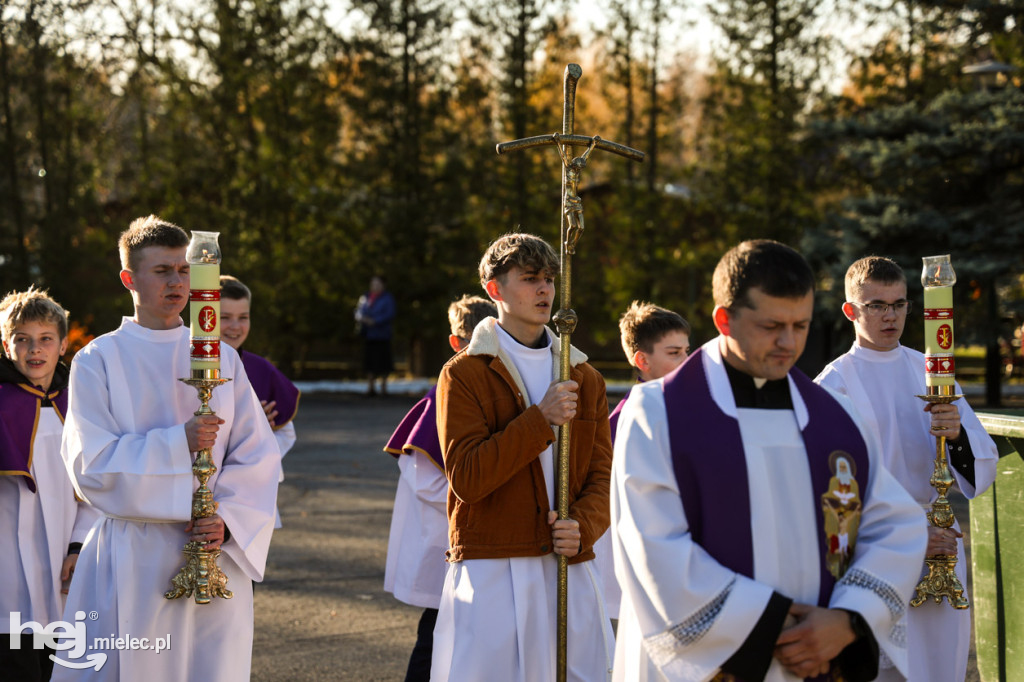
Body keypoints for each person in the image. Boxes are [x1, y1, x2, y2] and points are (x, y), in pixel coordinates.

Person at [611, 239, 928, 682]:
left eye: (800, 326)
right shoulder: (656, 414)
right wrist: (773, 631)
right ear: (724, 319)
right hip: (714, 666)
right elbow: (652, 551)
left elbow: (896, 526)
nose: (788, 342)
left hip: (825, 655)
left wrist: (848, 621)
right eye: (771, 325)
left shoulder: (836, 416)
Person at [53, 215, 281, 682]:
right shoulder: (98, 360)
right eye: (161, 272)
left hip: (210, 549)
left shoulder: (222, 357)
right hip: (132, 555)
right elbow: (90, 466)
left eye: (183, 270)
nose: (177, 283)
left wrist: (229, 521)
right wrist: (177, 442)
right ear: (129, 279)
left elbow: (256, 456)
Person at [431, 233, 615, 681]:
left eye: (549, 279)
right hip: (493, 564)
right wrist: (540, 419)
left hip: (567, 562)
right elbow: (467, 478)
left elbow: (603, 476)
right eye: (530, 278)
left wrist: (583, 527)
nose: (545, 290)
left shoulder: (583, 375)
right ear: (495, 289)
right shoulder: (465, 373)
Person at [815, 255, 998, 682]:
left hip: (940, 546)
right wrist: (913, 535)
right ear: (851, 311)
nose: (891, 316)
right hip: (874, 549)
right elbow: (830, 496)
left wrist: (957, 437)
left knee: (937, 667)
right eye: (876, 305)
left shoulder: (932, 371)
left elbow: (981, 464)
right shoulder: (833, 385)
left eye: (899, 304)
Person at [383, 294, 497, 682]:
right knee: (435, 635)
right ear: (456, 343)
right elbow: (425, 481)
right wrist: (486, 496)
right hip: (445, 541)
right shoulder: (441, 399)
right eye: (473, 341)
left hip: (477, 540)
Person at [0, 287, 98, 682]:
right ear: (6, 346)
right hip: (6, 565)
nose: (34, 350)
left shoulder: (80, 404)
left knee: (65, 665)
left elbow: (96, 490)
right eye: (21, 340)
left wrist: (79, 546)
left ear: (62, 346)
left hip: (65, 561)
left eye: (45, 339)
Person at [597, 300, 692, 623]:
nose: (687, 361)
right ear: (642, 360)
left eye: (687, 351)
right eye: (674, 353)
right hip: (634, 576)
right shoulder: (624, 420)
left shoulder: (686, 410)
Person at [220, 274, 301, 528]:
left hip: (247, 496)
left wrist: (260, 434)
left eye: (243, 317)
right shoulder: (181, 364)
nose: (235, 326)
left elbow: (285, 434)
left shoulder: (261, 371)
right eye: (224, 317)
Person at [355, 275, 396, 396]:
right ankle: (370, 387)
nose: (375, 286)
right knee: (370, 362)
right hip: (369, 335)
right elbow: (358, 311)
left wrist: (375, 321)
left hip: (383, 335)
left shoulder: (387, 298)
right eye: (373, 284)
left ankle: (384, 387)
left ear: (383, 285)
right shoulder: (366, 297)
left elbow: (390, 313)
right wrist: (363, 319)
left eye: (378, 284)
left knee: (383, 362)